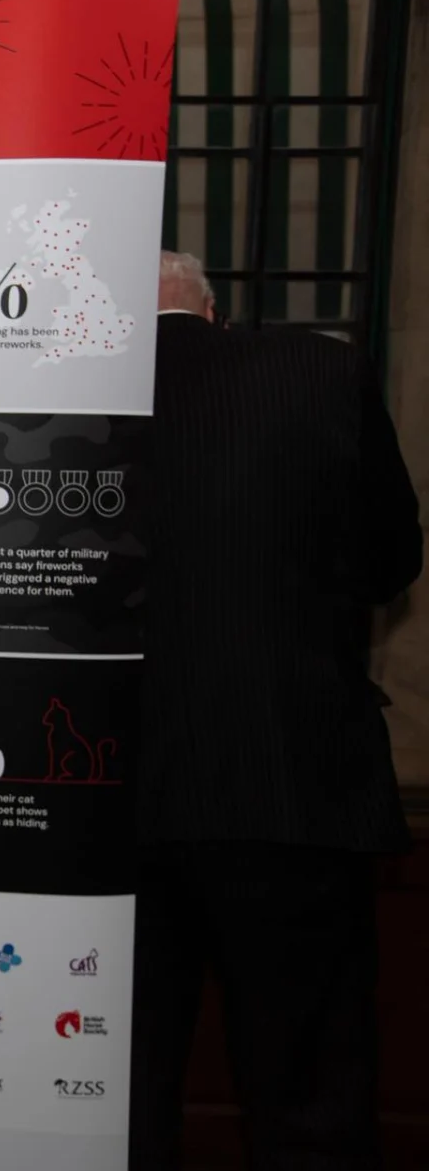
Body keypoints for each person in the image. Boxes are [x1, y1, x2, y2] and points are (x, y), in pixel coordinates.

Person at [132, 250, 421, 1169]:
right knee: (309, 1093)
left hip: (110, 797)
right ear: (213, 312)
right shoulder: (321, 371)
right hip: (290, 781)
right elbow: (388, 562)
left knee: (117, 1094)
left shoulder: (61, 393)